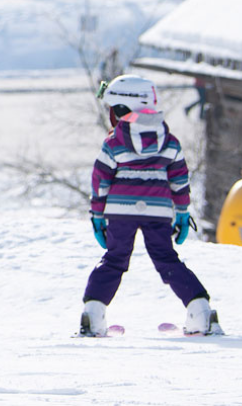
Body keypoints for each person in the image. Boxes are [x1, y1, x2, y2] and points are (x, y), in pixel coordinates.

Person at [80, 74, 222, 337]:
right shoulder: (169, 141)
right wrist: (181, 211)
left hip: (119, 210)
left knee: (114, 260)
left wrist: (97, 214)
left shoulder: (114, 143)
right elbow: (180, 179)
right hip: (158, 209)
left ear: (123, 108)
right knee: (167, 259)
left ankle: (93, 315)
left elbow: (100, 179)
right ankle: (201, 310)